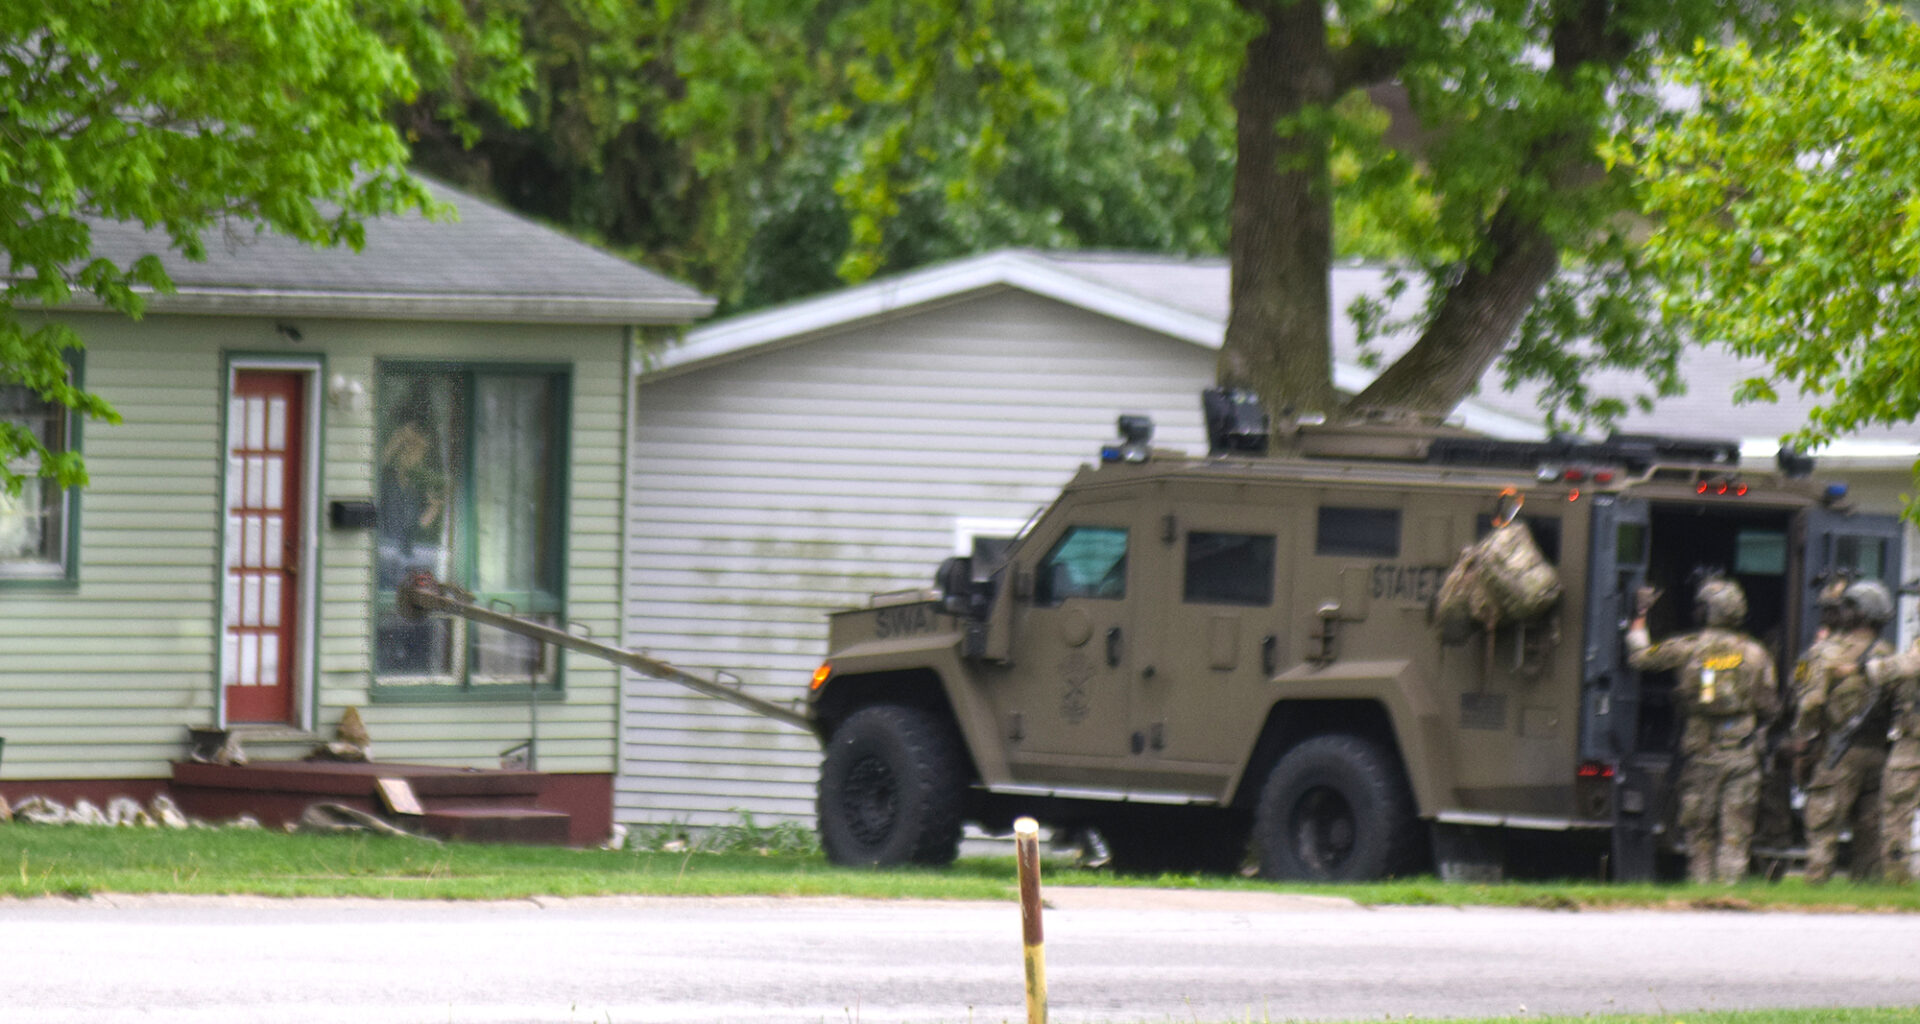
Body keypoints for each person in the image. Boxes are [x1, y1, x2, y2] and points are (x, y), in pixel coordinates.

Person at [1625, 576, 1780, 884]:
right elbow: (1769, 705)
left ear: (1708, 611)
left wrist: (1640, 617)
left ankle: (1701, 890)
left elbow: (1640, 657)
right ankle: (1729, 889)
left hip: (1701, 753)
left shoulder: (1689, 648)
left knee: (1700, 831)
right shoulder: (1756, 654)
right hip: (1742, 752)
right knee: (1736, 832)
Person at [1792, 579, 1895, 883]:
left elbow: (1810, 704)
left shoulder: (1825, 652)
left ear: (1856, 613)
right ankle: (1868, 890)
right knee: (1870, 830)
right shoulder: (1889, 654)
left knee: (1823, 826)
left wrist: (1803, 743)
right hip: (1878, 752)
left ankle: (1816, 885)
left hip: (1838, 753)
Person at [1864, 620, 1920, 883]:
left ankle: (1897, 879)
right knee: (1896, 813)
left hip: (1910, 748)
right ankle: (1897, 880)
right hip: (1909, 742)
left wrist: (1872, 666)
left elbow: (1882, 672)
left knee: (1897, 813)